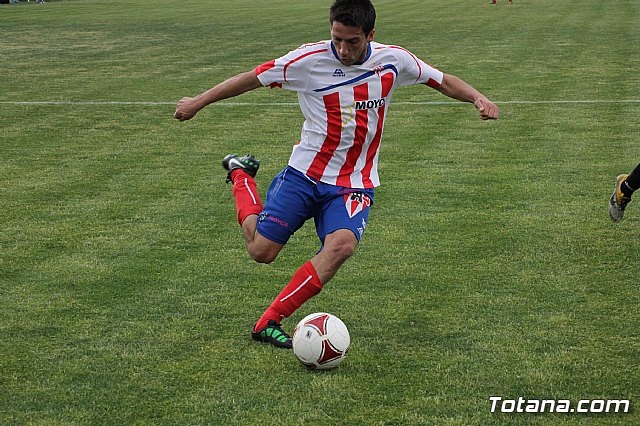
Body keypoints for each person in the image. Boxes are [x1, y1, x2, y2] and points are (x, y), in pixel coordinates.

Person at [174, 0, 499, 349]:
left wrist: (478, 97)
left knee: (341, 246)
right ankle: (241, 175)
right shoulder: (307, 61)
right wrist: (198, 101)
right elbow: (252, 78)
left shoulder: (393, 60)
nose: (343, 49)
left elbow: (442, 80)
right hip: (304, 175)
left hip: (354, 183)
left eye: (352, 42)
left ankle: (269, 320)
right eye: (337, 39)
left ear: (370, 35)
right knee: (262, 252)